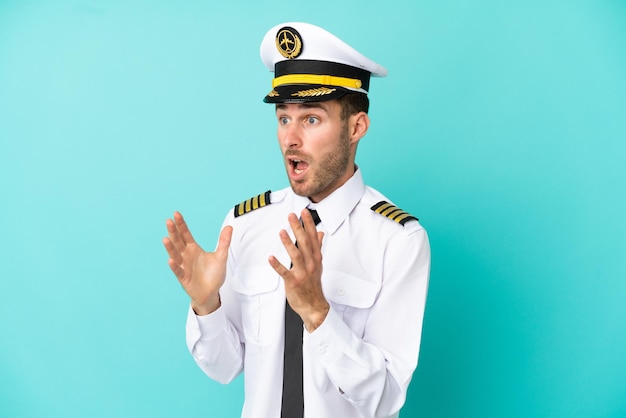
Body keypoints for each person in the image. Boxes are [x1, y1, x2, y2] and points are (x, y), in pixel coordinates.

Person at [163, 22, 430, 418]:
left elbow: (386, 397)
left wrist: (319, 314)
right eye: (284, 118)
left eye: (311, 119)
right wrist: (207, 304)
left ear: (356, 127)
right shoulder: (246, 224)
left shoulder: (398, 240)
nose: (291, 138)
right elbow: (224, 367)